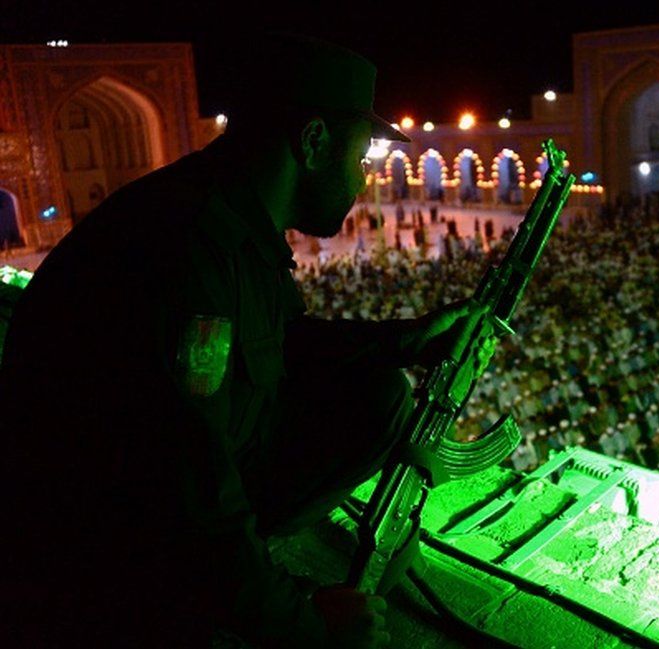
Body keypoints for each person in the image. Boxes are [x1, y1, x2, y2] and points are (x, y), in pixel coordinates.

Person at [0, 34, 495, 648]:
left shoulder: (228, 219)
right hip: (91, 541)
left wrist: (407, 339)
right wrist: (302, 624)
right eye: (358, 157)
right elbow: (188, 476)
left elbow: (282, 341)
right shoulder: (191, 253)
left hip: (133, 488)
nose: (363, 179)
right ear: (313, 143)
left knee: (380, 394)